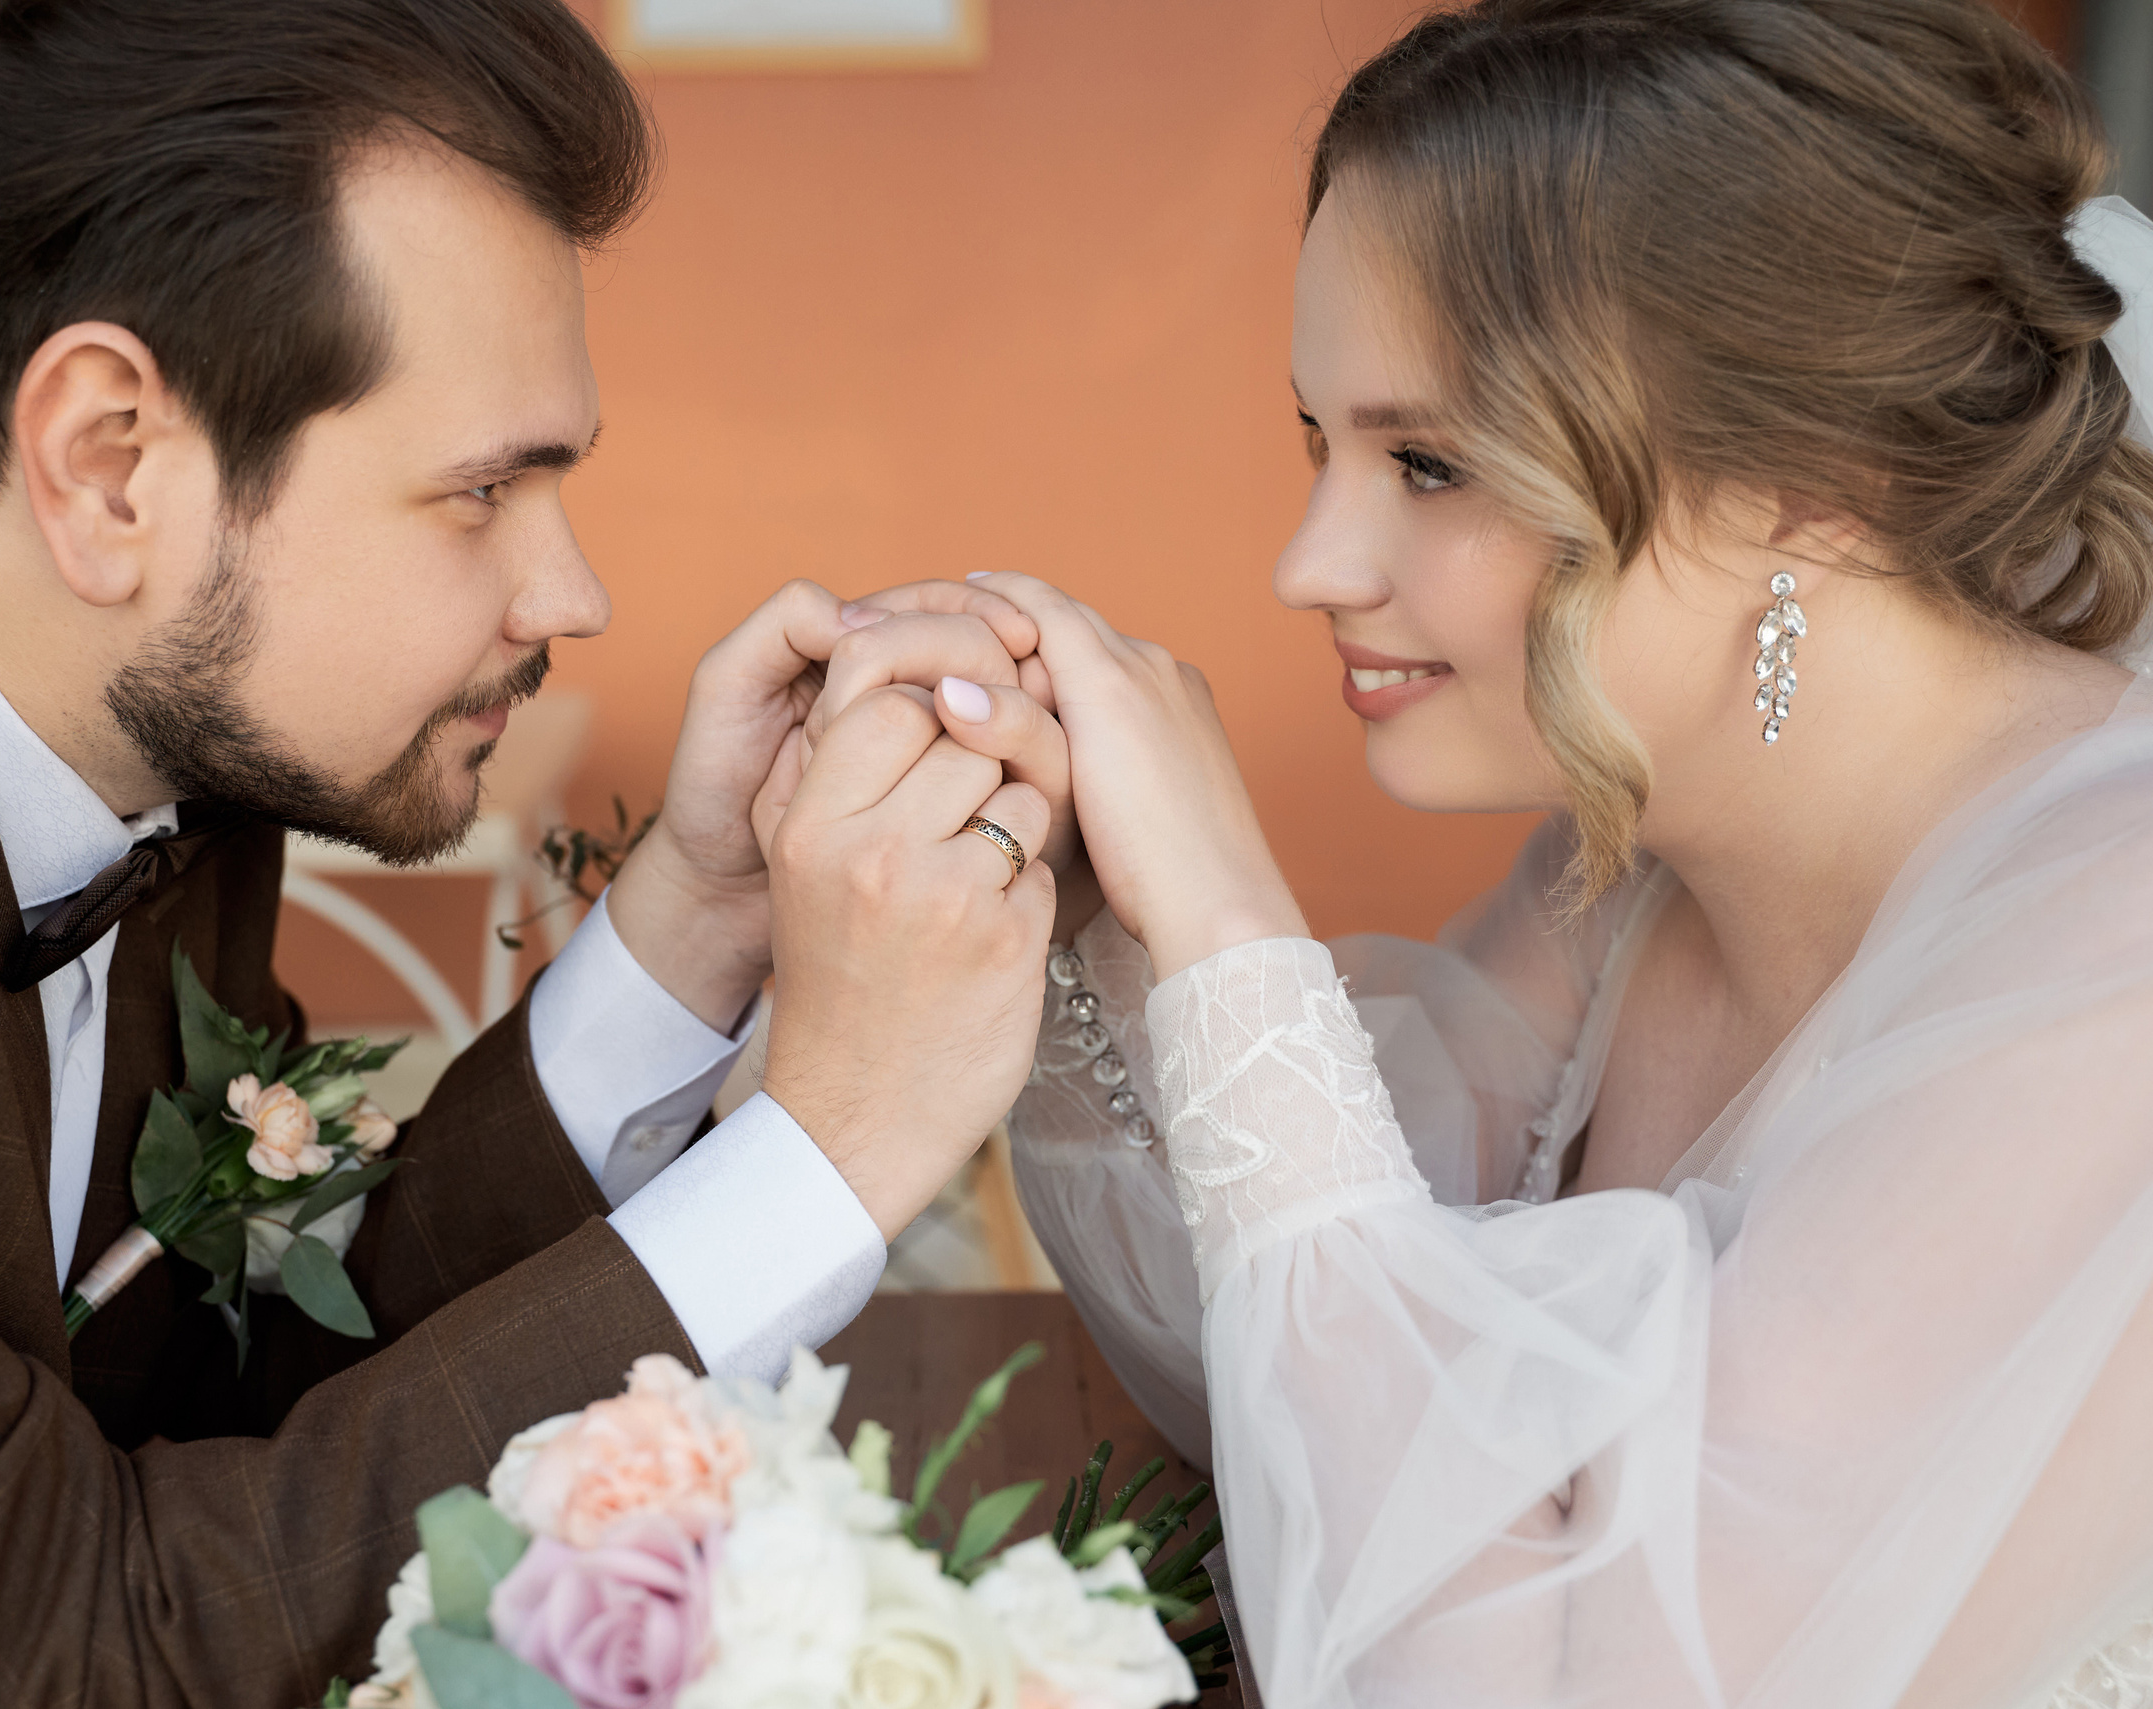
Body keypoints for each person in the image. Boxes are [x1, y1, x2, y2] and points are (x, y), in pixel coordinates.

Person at [0, 1, 1059, 1704]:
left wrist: (697, 913)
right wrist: (837, 1145)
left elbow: (282, 1370)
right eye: (482, 491)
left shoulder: (145, 692)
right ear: (109, 464)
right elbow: (53, 1653)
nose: (571, 594)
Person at [902, 0, 2153, 1701]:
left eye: (1429, 462)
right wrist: (1108, 908)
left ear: (1812, 480)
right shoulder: (1636, 860)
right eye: (1320, 443)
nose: (1311, 564)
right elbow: (1296, 1361)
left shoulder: (2112, 948)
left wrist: (1229, 923)